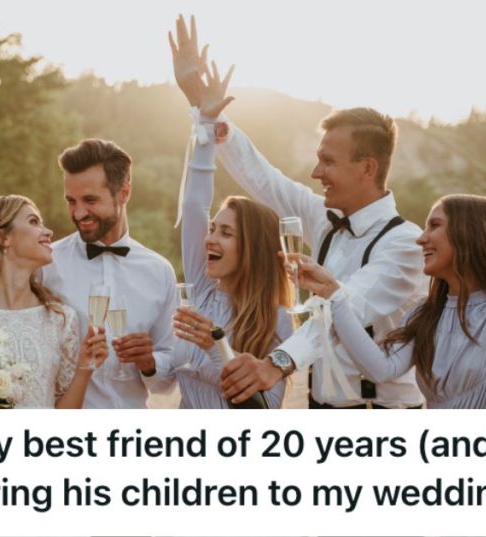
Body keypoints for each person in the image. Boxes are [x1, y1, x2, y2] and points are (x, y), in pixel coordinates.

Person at [293, 79, 486, 537]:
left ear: (469, 235)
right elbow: (380, 368)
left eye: (434, 226)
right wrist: (335, 296)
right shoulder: (428, 316)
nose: (421, 237)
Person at [170, 17, 426, 409]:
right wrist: (206, 113)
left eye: (328, 161)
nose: (315, 172)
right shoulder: (321, 218)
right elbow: (262, 178)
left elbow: (346, 307)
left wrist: (277, 363)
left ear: (367, 168)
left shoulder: (404, 244)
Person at [171, 65, 294, 408]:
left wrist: (216, 345)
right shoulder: (203, 290)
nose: (210, 239)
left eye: (226, 233)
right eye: (213, 229)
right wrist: (206, 125)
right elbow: (194, 205)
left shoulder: (277, 318)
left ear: (251, 249)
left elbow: (263, 409)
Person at [0, 195, 108, 408]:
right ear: (2, 237)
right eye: (34, 222)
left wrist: (84, 367)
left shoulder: (60, 318)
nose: (48, 232)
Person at [41, 138, 178, 409]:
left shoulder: (159, 271)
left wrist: (150, 362)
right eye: (71, 201)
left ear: (124, 192)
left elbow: (168, 381)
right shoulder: (45, 264)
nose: (79, 213)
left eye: (90, 200)